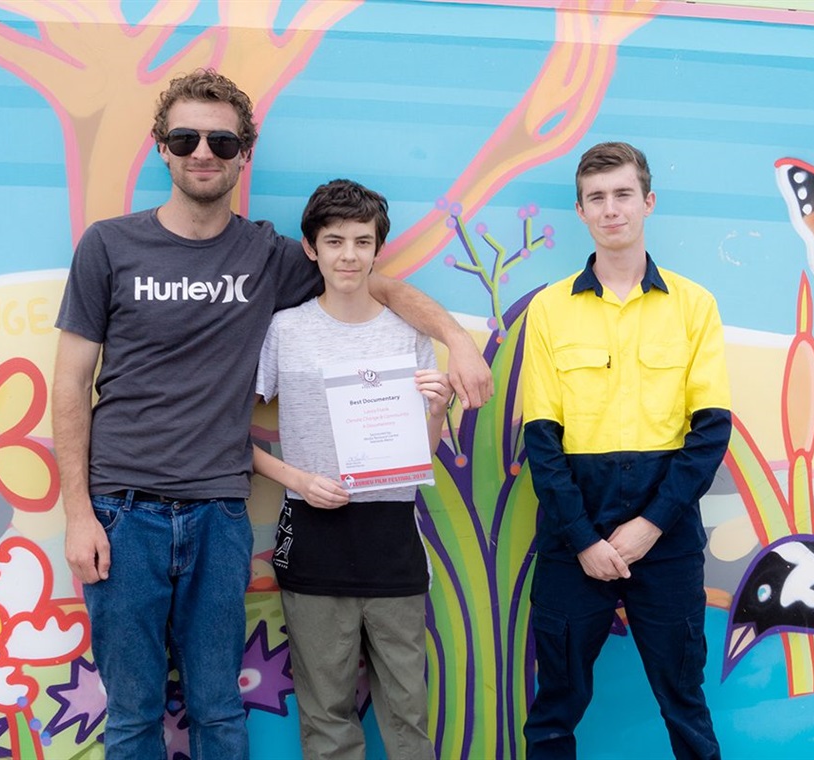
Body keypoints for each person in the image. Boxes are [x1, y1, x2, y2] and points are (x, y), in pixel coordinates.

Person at [51, 69, 492, 760]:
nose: (204, 151)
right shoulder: (108, 246)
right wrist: (79, 514)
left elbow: (370, 281)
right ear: (161, 147)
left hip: (221, 514)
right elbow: (71, 385)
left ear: (243, 153)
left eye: (222, 141)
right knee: (133, 714)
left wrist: (458, 341)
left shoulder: (269, 255)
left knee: (220, 710)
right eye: (186, 137)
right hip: (122, 510)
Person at [520, 141, 731, 760]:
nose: (611, 210)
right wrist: (584, 540)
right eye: (597, 199)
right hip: (570, 530)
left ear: (648, 203)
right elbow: (542, 443)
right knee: (554, 705)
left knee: (684, 703)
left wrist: (649, 526)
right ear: (580, 211)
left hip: (666, 531)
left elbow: (709, 432)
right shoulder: (550, 309)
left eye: (623, 195)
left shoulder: (695, 306)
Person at [253, 179, 446, 760]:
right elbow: (227, 432)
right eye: (334, 241)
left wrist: (436, 409)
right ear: (310, 249)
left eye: (362, 241)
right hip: (314, 536)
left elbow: (421, 453)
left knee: (409, 713)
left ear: (377, 248)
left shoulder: (409, 333)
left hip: (392, 537)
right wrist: (297, 480)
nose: (348, 255)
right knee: (326, 714)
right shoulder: (285, 330)